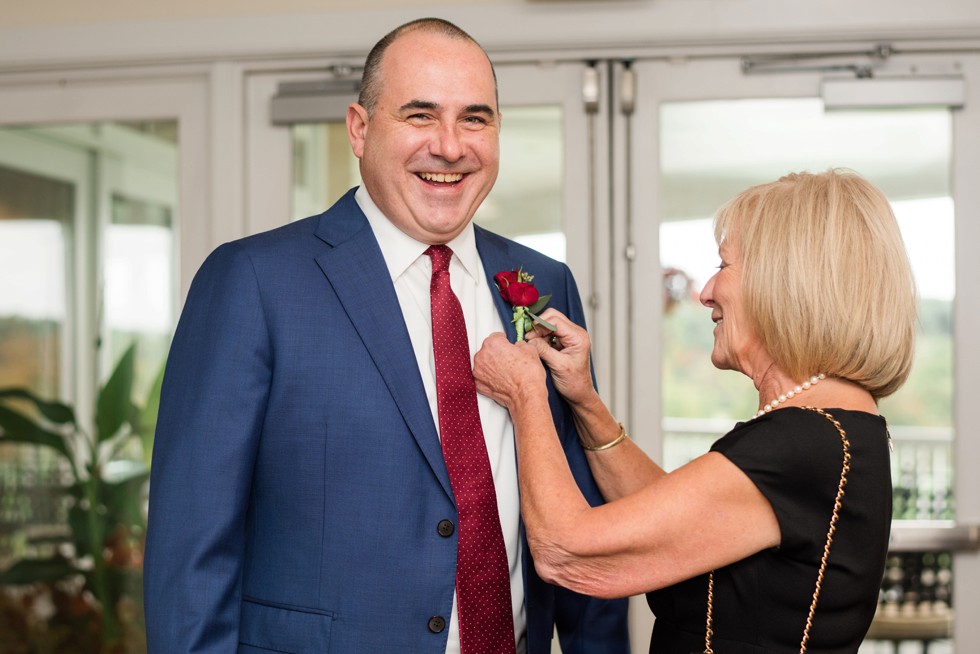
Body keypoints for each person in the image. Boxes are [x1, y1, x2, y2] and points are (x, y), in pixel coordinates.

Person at [142, 17, 629, 654]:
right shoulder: (253, 282)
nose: (451, 146)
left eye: (475, 119)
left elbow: (581, 514)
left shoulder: (540, 284)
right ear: (360, 128)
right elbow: (191, 551)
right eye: (420, 115)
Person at [473, 169, 916, 653]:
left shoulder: (801, 442)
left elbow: (567, 550)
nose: (705, 291)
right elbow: (674, 517)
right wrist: (584, 400)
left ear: (782, 281)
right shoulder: (837, 429)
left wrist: (526, 394)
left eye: (723, 265)